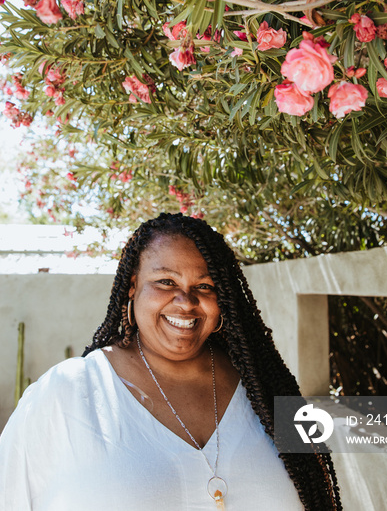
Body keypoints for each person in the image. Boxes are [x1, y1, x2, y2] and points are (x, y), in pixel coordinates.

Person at [0, 212, 342, 510]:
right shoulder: (66, 393)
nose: (186, 302)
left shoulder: (266, 391)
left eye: (205, 286)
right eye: (166, 282)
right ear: (133, 287)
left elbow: (331, 459)